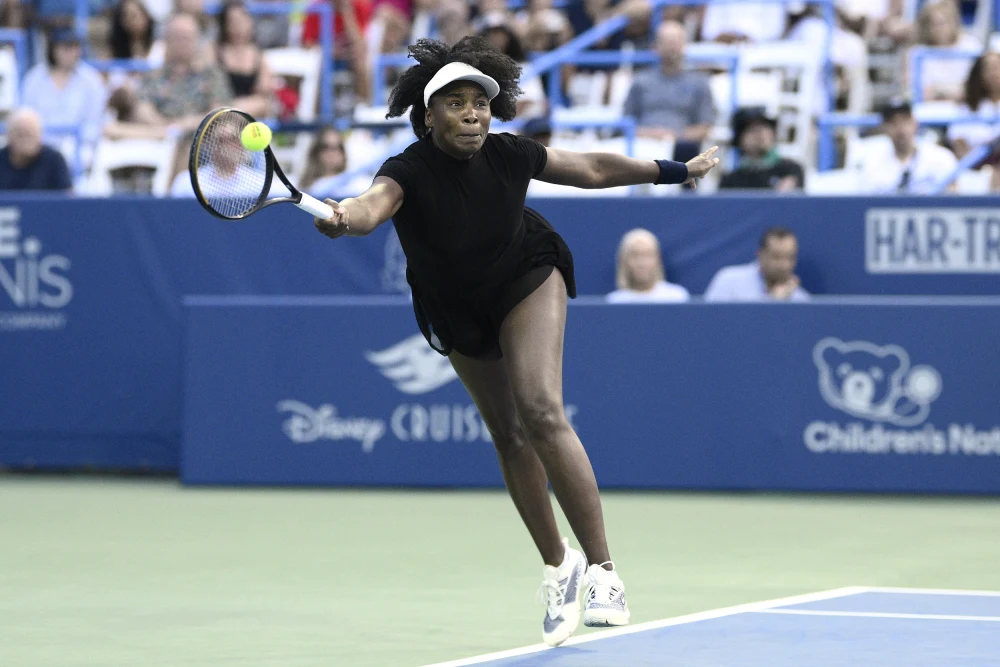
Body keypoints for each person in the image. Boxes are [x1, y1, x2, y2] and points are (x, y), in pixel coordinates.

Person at [311, 36, 719, 647]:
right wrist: (345, 216)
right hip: (456, 306)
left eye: (479, 102)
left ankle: (603, 571)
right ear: (428, 116)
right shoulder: (406, 170)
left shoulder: (510, 153)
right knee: (507, 433)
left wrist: (675, 171)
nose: (471, 114)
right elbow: (372, 207)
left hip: (525, 274)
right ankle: (559, 566)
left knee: (541, 410)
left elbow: (592, 169)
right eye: (455, 104)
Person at [106, 13, 232, 140]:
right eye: (178, 37)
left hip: (200, 136)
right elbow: (142, 107)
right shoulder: (153, 74)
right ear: (167, 40)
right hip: (157, 134)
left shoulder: (212, 74)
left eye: (187, 37)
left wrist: (186, 125)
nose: (183, 43)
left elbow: (219, 111)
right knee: (111, 128)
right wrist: (168, 127)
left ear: (197, 40)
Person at [623, 20, 715, 164]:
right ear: (655, 46)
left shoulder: (700, 83)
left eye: (676, 41)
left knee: (687, 151)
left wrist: (673, 136)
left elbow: (705, 127)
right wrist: (652, 135)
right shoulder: (640, 81)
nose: (672, 47)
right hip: (642, 146)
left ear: (685, 45)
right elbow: (626, 122)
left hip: (682, 148)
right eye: (667, 42)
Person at [20, 28, 107, 149]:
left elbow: (94, 122)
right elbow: (26, 116)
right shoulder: (34, 78)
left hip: (80, 147)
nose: (72, 53)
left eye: (76, 48)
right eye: (67, 48)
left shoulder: (92, 80)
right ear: (54, 50)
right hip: (39, 147)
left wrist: (78, 145)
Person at [857, 98, 958, 194]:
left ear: (915, 123)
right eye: (893, 122)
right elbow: (865, 200)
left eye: (905, 120)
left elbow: (953, 197)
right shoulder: (871, 161)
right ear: (883, 127)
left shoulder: (940, 157)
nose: (900, 128)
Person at [704, 227, 809, 302]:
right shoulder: (729, 281)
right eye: (776, 257)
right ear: (760, 255)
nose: (784, 265)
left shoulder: (800, 300)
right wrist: (774, 302)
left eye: (790, 257)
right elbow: (708, 321)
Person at [909, 0, 980, 103]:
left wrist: (939, 91)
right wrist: (955, 92)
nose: (940, 28)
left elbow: (977, 89)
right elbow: (921, 93)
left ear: (954, 22)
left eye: (944, 23)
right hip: (931, 108)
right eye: (935, 24)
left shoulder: (971, 45)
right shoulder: (918, 52)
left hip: (967, 107)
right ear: (927, 27)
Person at [719, 107, 804, 191]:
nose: (760, 134)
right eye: (752, 130)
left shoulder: (791, 170)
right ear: (740, 139)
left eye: (765, 127)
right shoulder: (730, 181)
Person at [216, 0, 275, 118]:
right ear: (225, 24)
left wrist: (236, 106)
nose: (238, 26)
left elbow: (265, 91)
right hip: (219, 108)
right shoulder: (215, 51)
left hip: (249, 111)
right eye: (233, 21)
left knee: (262, 103)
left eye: (242, 20)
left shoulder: (258, 55)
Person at [607, 228, 689, 303]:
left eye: (647, 255)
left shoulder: (677, 298)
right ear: (624, 260)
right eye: (635, 255)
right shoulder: (614, 301)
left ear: (657, 259)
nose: (641, 263)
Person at [0, 109, 73, 191]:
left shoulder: (54, 160)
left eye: (30, 133)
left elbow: (67, 196)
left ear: (40, 134)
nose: (26, 140)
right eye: (20, 134)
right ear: (8, 135)